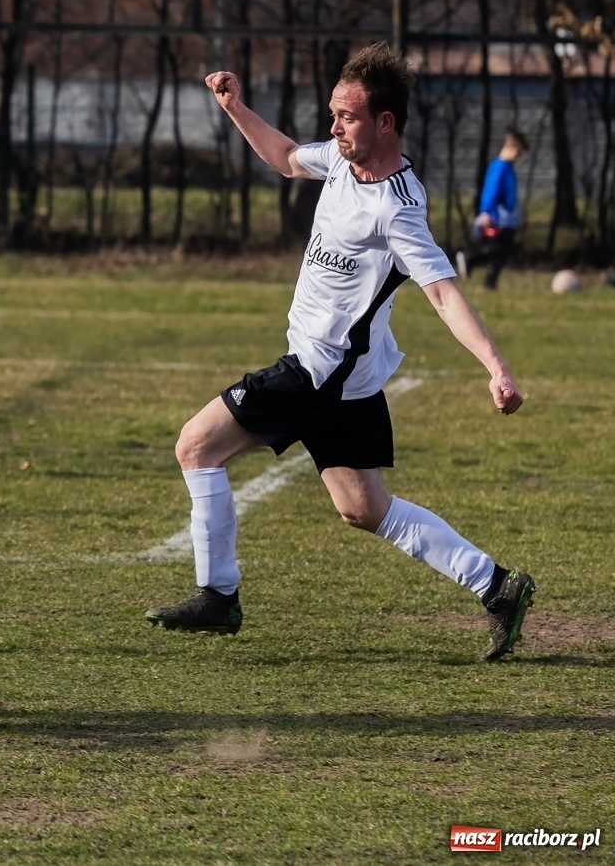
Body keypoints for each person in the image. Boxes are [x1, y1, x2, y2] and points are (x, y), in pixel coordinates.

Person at [146, 43, 535, 662]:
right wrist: (235, 107)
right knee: (364, 508)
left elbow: (442, 294)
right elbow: (284, 157)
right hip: (351, 381)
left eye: (347, 117)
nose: (334, 127)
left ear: (385, 122)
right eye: (333, 114)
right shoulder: (339, 161)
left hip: (317, 373)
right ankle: (497, 586)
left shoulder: (397, 210)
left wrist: (497, 368)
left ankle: (218, 595)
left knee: (195, 446)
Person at [457, 129, 524, 290]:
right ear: (511, 148)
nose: (519, 156)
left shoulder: (508, 168)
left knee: (502, 251)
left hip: (508, 218)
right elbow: (491, 190)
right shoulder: (499, 167)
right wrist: (486, 211)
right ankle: (469, 258)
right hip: (498, 217)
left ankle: (490, 283)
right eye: (519, 152)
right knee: (496, 249)